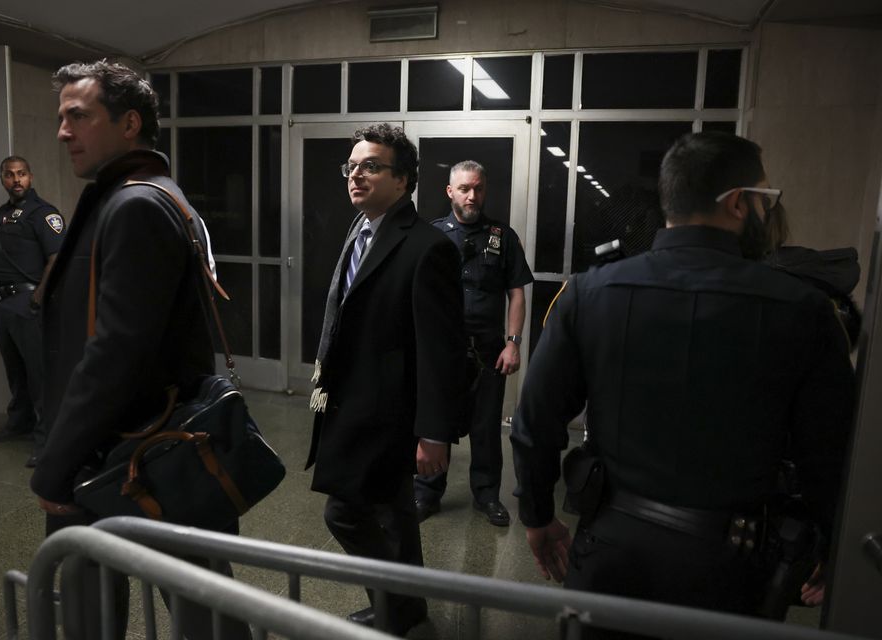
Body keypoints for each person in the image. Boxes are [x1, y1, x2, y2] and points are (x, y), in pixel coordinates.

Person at [510, 131, 855, 634]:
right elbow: (829, 452)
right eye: (765, 199)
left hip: (609, 554)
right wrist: (830, 540)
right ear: (739, 203)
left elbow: (535, 421)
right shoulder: (804, 310)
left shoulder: (588, 294)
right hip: (734, 573)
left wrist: (538, 516)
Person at [29, 60, 249, 640]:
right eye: (61, 118)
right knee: (196, 601)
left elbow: (115, 354)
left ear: (130, 124)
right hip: (126, 448)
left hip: (126, 455)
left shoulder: (135, 206)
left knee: (181, 609)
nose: (63, 131)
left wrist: (56, 465)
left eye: (78, 116)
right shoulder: (138, 196)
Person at [306, 123, 465, 636]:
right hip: (353, 399)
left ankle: (395, 601)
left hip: (387, 410)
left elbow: (441, 350)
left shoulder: (426, 246)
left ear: (404, 181)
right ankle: (405, 607)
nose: (355, 175)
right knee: (393, 512)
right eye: (351, 166)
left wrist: (435, 431)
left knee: (345, 513)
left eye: (370, 166)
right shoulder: (361, 229)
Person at [414, 160, 533, 527]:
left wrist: (513, 343)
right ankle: (427, 492)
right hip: (441, 352)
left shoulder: (502, 236)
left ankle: (486, 495)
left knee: (485, 428)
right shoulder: (432, 235)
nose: (472, 195)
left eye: (478, 188)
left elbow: (516, 293)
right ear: (450, 192)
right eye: (464, 188)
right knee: (437, 420)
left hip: (488, 351)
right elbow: (417, 293)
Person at [0, 156, 63, 467]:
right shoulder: (0, 216)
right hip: (2, 305)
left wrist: (37, 298)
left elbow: (56, 259)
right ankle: (19, 423)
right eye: (9, 175)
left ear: (30, 177)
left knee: (39, 376)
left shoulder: (43, 213)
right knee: (16, 372)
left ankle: (47, 439)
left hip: (28, 304)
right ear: (2, 179)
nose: (16, 180)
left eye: (21, 174)